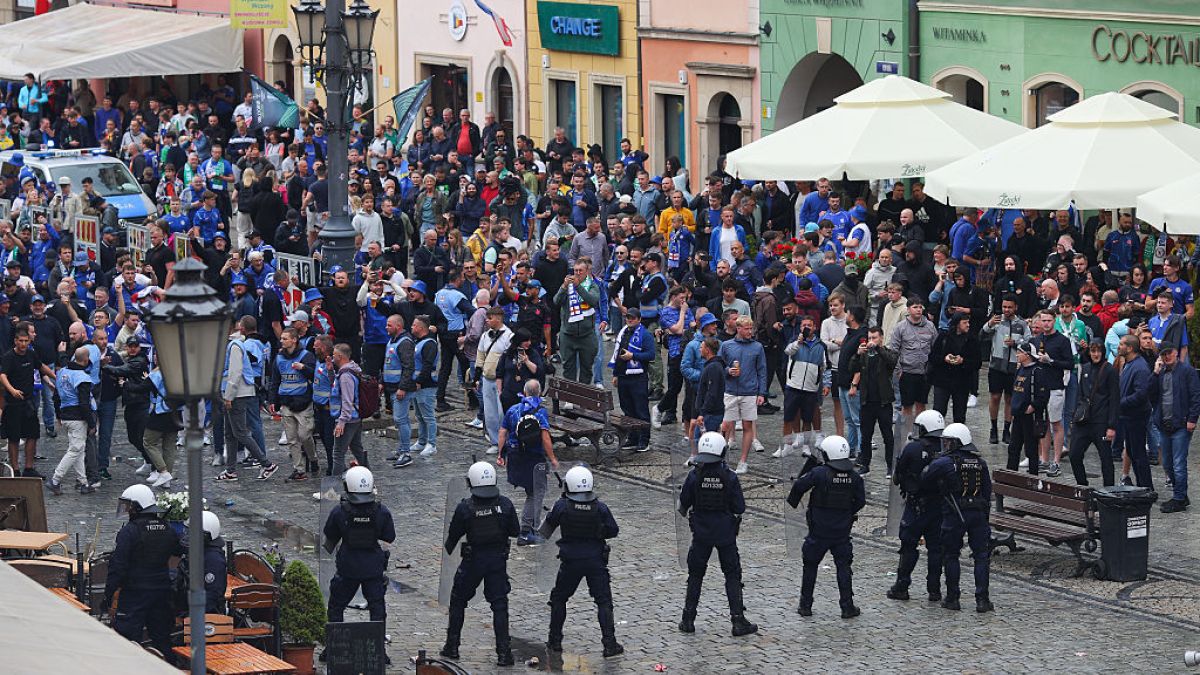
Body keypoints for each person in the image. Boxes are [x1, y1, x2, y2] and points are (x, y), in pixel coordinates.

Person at [677, 432, 758, 636]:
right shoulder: (729, 476)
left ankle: (688, 619)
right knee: (732, 574)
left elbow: (682, 504)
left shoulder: (695, 475)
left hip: (701, 533)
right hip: (725, 534)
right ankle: (738, 621)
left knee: (695, 575)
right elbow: (739, 507)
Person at [538, 465, 624, 657]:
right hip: (595, 560)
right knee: (604, 602)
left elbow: (544, 531)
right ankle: (609, 644)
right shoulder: (599, 507)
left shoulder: (562, 506)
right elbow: (613, 530)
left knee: (559, 599)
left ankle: (555, 641)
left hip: (571, 561)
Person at [441, 461, 521, 666]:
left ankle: (452, 646)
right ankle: (504, 653)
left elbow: (452, 537)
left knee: (458, 601)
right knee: (499, 606)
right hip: (496, 561)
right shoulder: (505, 504)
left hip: (473, 561)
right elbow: (515, 530)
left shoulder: (465, 507)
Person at [787, 435, 866, 618]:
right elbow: (860, 501)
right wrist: (846, 513)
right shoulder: (854, 476)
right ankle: (847, 606)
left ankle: (805, 605)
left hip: (819, 531)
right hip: (842, 531)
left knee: (810, 566)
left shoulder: (819, 473)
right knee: (844, 567)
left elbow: (799, 486)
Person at [104, 484, 183, 660]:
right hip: (161, 593)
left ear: (138, 507)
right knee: (162, 641)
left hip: (134, 595)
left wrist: (108, 595)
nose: (127, 510)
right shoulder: (167, 527)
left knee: (127, 643)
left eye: (129, 506)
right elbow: (178, 551)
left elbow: (118, 566)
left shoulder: (130, 531)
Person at [922, 423, 994, 613]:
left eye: (947, 443)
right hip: (977, 513)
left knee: (951, 554)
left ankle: (953, 597)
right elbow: (987, 492)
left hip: (954, 513)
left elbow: (925, 479)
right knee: (981, 557)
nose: (944, 446)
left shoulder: (944, 463)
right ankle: (982, 600)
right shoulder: (980, 463)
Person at [323, 466, 396, 629]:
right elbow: (390, 536)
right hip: (373, 567)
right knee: (377, 609)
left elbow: (329, 534)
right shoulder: (381, 511)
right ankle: (378, 650)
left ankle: (335, 647)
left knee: (336, 607)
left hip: (348, 567)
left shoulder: (340, 511)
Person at [887, 411, 946, 603]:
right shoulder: (948, 448)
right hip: (939, 507)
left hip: (916, 506)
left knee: (908, 546)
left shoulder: (913, 448)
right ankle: (934, 590)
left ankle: (902, 587)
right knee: (936, 549)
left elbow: (897, 477)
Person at [497, 379, 560, 545]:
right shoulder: (540, 411)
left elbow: (503, 432)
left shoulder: (513, 410)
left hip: (515, 457)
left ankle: (530, 527)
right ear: (539, 393)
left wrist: (500, 454)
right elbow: (545, 436)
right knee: (536, 493)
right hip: (534, 459)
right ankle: (526, 531)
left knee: (531, 492)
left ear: (524, 392)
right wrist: (552, 458)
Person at [1148, 340, 1200, 512]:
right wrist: (1155, 373)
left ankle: (1179, 497)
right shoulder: (1161, 373)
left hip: (1181, 424)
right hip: (1164, 423)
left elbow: (1195, 396)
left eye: (1169, 352)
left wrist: (1192, 419)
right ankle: (1181, 494)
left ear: (1176, 352)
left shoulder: (1187, 371)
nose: (1167, 356)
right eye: (1163, 354)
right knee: (1167, 463)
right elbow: (1151, 394)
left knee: (1178, 463)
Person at [1, 325, 57, 477]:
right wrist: (11, 390)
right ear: (15, 341)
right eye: (21, 341)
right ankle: (15, 469)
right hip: (13, 403)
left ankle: (29, 468)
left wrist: (55, 377)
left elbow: (41, 367)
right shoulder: (9, 357)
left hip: (28, 401)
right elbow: (2, 375)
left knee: (33, 434)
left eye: (26, 341)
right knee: (13, 437)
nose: (23, 344)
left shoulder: (31, 354)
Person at [718, 316, 768, 474]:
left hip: (749, 392)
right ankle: (720, 459)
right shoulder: (726, 345)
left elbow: (762, 370)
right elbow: (718, 365)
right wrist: (727, 371)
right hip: (730, 391)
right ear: (738, 329)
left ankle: (743, 461)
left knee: (748, 427)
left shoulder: (757, 347)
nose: (749, 332)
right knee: (725, 425)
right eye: (746, 329)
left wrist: (762, 393)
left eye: (751, 328)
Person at [269, 328, 318, 481]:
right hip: (286, 403)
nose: (281, 341)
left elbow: (315, 375)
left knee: (304, 435)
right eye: (281, 339)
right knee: (292, 439)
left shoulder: (306, 356)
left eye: (285, 339)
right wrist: (272, 401)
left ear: (294, 340)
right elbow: (275, 380)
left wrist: (303, 368)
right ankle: (299, 470)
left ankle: (313, 458)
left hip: (303, 402)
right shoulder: (278, 358)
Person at [1068, 340, 1119, 487]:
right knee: (1074, 455)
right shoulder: (1085, 368)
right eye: (1093, 351)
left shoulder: (1110, 370)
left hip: (1101, 422)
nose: (1095, 354)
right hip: (1084, 421)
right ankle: (1082, 486)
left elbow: (1114, 399)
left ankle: (1108, 491)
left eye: (1098, 351)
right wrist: (1074, 416)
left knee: (1106, 458)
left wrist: (1111, 426)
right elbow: (1079, 394)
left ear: (1103, 352)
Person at [848, 326, 897, 475]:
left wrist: (878, 349)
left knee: (888, 436)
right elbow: (851, 368)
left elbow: (892, 362)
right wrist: (857, 354)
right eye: (869, 338)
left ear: (881, 338)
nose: (871, 341)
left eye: (874, 338)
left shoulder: (887, 352)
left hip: (883, 401)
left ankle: (890, 466)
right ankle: (865, 464)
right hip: (867, 401)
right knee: (866, 436)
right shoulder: (864, 355)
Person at [981, 295, 1029, 444]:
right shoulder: (996, 321)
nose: (1006, 310)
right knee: (995, 397)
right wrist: (989, 324)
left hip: (1014, 366)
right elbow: (981, 335)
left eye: (1009, 307)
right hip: (996, 365)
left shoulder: (1022, 324)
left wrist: (1015, 343)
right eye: (1004, 307)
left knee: (1010, 399)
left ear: (1015, 307)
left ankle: (1007, 429)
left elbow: (1028, 342)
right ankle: (993, 428)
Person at [48, 346, 96, 495]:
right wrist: (92, 423)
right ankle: (55, 480)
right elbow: (84, 403)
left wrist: (58, 415)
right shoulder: (83, 378)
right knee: (75, 450)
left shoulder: (62, 372)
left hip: (66, 416)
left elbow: (55, 396)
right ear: (86, 359)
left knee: (79, 450)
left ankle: (83, 483)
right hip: (77, 418)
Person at [609, 307, 655, 450]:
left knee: (641, 410)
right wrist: (615, 374)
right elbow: (618, 356)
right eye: (628, 317)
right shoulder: (624, 332)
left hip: (638, 378)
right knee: (627, 409)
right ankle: (633, 437)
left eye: (633, 318)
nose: (630, 319)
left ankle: (644, 439)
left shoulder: (646, 335)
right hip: (623, 376)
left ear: (639, 319)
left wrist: (633, 356)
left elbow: (650, 355)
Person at [1007, 341, 1050, 475]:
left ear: (1027, 355)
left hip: (1030, 416)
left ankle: (1033, 476)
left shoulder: (1037, 371)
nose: (1017, 355)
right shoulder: (1020, 369)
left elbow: (1043, 395)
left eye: (1020, 352)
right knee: (1013, 447)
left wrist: (1033, 406)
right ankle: (1010, 474)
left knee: (1031, 449)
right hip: (1018, 414)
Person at [330, 342, 367, 470]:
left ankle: (335, 485)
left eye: (334, 354)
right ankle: (367, 474)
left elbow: (347, 399)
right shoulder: (351, 370)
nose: (332, 357)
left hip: (348, 419)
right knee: (357, 448)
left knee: (338, 454)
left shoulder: (345, 376)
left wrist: (341, 421)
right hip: (355, 417)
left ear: (340, 356)